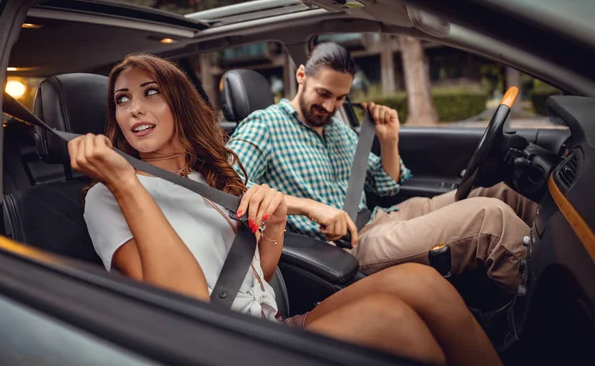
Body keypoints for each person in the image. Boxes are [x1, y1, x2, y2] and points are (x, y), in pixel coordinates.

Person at [69, 53, 501, 365]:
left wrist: (275, 222)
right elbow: (187, 309)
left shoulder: (207, 177)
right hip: (218, 344)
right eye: (122, 100)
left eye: (150, 93)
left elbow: (258, 278)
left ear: (179, 103)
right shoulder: (107, 197)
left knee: (421, 282)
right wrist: (125, 180)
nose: (135, 109)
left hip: (266, 323)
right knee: (390, 319)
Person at [227, 42, 537, 294]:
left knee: (505, 192)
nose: (331, 107)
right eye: (323, 94)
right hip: (350, 246)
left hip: (383, 217)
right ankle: (544, 315)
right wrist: (309, 208)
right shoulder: (264, 125)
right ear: (301, 75)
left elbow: (386, 186)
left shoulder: (335, 127)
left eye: (341, 98)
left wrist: (390, 141)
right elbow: (225, 184)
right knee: (489, 219)